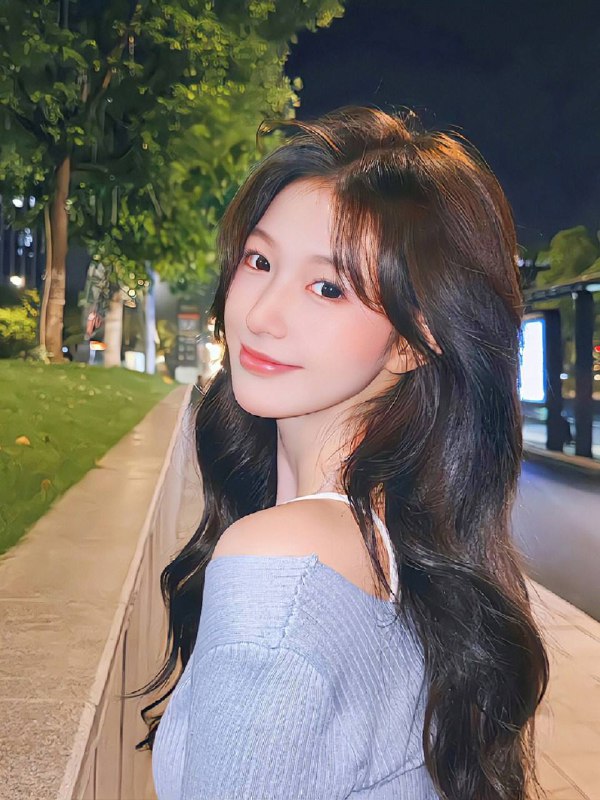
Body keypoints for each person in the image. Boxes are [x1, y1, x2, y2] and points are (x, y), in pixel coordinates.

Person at [138, 106, 550, 799]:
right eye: (259, 261)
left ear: (413, 340)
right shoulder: (399, 548)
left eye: (327, 287)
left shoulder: (281, 566)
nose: (261, 314)